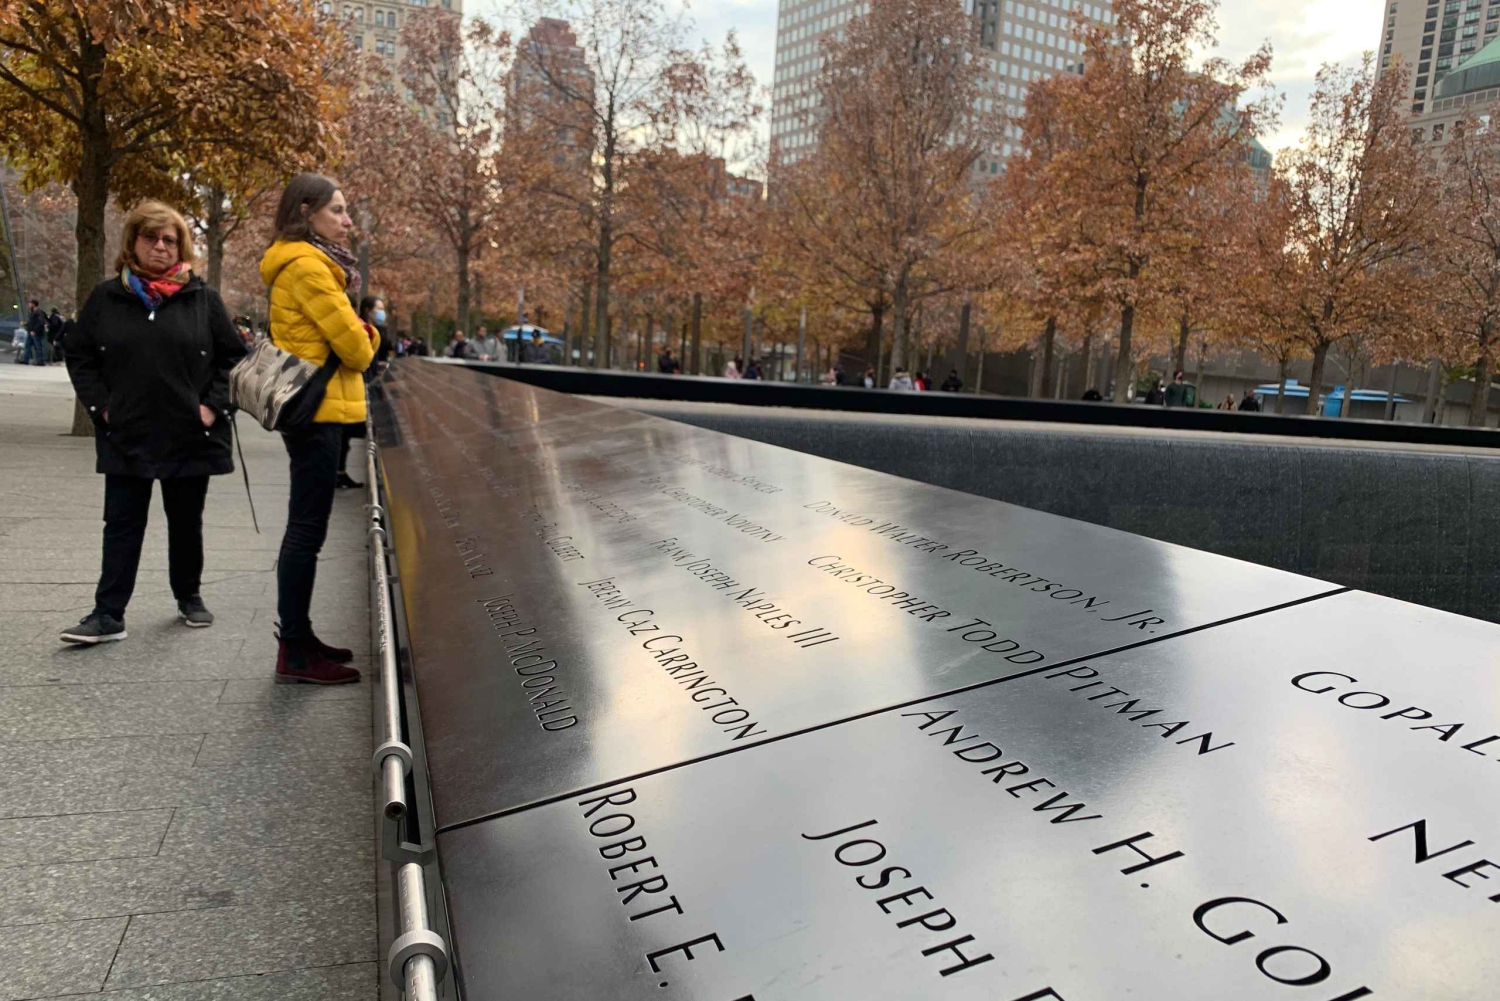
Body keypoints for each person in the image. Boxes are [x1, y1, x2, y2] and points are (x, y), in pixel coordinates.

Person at [60, 200, 247, 644]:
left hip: (189, 432)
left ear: (181, 247)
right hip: (128, 430)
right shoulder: (107, 298)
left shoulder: (203, 299)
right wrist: (102, 408)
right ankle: (108, 614)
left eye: (170, 239)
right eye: (151, 237)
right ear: (133, 242)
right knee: (121, 524)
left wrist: (211, 407)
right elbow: (79, 355)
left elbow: (235, 361)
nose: (160, 246)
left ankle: (189, 596)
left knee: (185, 522)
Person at [260, 173, 377, 685]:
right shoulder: (309, 266)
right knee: (306, 530)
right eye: (337, 210)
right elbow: (357, 350)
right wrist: (369, 333)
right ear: (306, 212)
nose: (347, 220)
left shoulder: (310, 262)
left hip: (319, 409)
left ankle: (301, 637)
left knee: (307, 528)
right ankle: (294, 650)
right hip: (318, 412)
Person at [23, 299, 46, 365]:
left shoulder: (39, 312)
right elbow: (32, 322)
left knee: (38, 346)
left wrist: (35, 330)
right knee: (27, 345)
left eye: (30, 303)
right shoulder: (32, 312)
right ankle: (26, 359)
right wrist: (26, 324)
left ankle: (41, 360)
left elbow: (41, 322)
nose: (29, 305)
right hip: (30, 332)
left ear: (33, 304)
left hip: (36, 332)